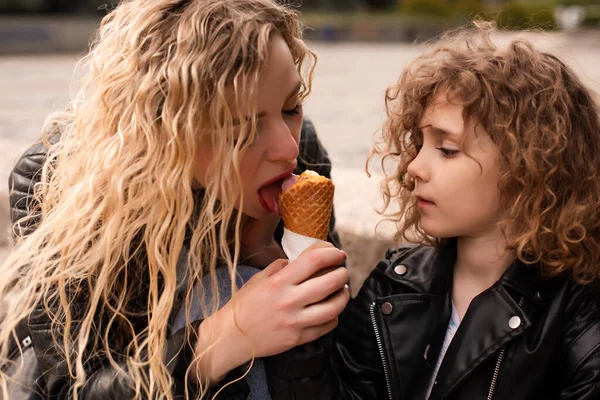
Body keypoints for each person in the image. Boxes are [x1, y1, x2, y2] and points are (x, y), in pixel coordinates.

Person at [0, 1, 350, 399]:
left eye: (291, 108)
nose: (287, 149)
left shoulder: (303, 156)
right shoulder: (56, 181)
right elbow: (71, 388)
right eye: (239, 132)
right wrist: (218, 341)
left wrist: (272, 259)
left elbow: (327, 374)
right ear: (165, 131)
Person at [267, 22, 600, 399]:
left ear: (530, 165)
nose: (413, 168)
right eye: (419, 144)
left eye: (447, 150)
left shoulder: (580, 316)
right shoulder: (393, 285)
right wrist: (307, 325)